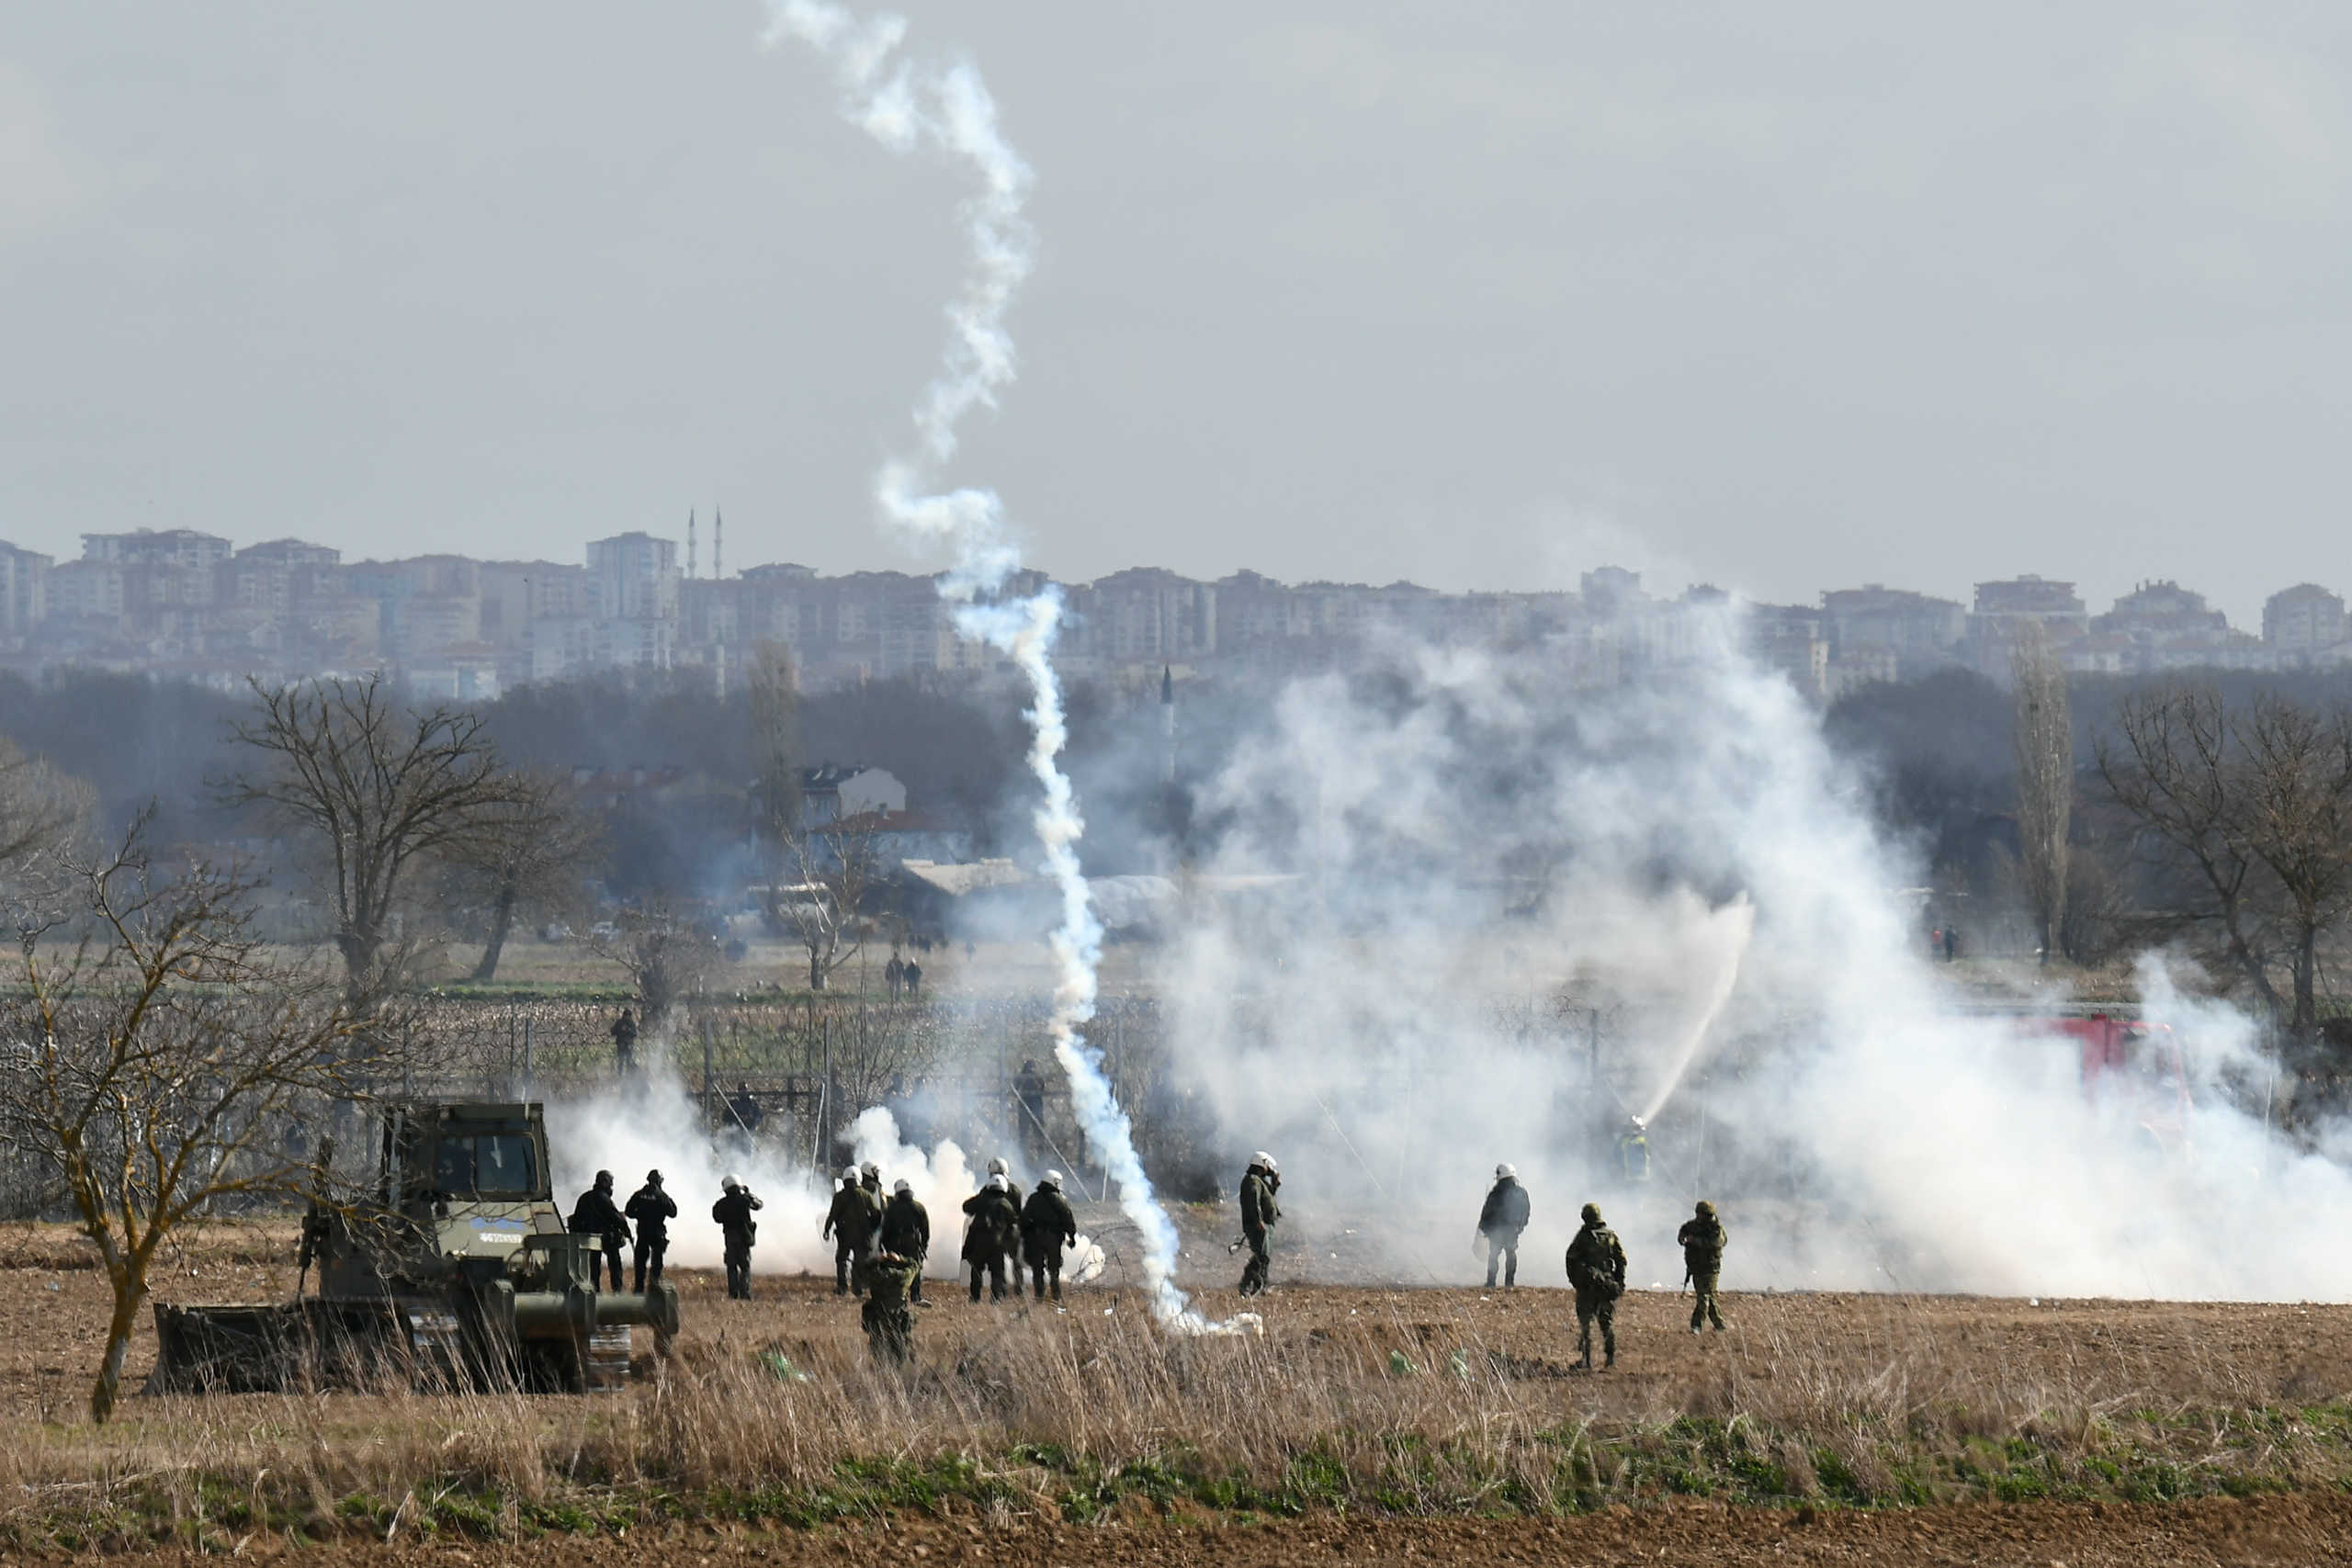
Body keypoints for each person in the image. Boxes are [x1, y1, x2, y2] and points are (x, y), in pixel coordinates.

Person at [1565, 1201, 1627, 1371]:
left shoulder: (1583, 1237)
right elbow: (1621, 1260)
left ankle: (1586, 1361)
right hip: (1606, 1285)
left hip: (1587, 1287)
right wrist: (1618, 1283)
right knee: (1606, 1323)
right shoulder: (1610, 1236)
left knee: (1586, 1324)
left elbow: (1571, 1259)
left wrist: (1576, 1281)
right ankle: (1610, 1359)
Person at [566, 1169, 631, 1292]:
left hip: (588, 1239)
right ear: (605, 1182)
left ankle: (594, 1291)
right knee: (615, 1264)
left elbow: (576, 1219)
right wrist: (626, 1230)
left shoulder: (585, 1197)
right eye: (610, 1183)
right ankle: (617, 1290)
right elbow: (616, 1218)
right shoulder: (604, 1198)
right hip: (606, 1238)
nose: (611, 1186)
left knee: (592, 1267)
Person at [961, 1173, 1021, 1303]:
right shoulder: (1005, 1203)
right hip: (997, 1242)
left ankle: (975, 1297)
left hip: (978, 1240)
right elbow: (1014, 1220)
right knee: (997, 1272)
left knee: (976, 1269)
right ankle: (996, 1298)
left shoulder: (981, 1199)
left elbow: (966, 1207)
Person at [1021, 1169, 1079, 1302]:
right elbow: (1068, 1219)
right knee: (1054, 1269)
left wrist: (1025, 1235)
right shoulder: (1060, 1199)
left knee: (1037, 1269)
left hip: (1035, 1238)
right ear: (1056, 1183)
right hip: (1053, 1239)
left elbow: (1024, 1218)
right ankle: (1056, 1296)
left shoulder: (1033, 1198)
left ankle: (1039, 1296)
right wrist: (1072, 1236)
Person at [824, 1164, 880, 1297]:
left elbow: (832, 1215)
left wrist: (827, 1230)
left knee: (842, 1259)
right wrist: (873, 1228)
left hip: (844, 1234)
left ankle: (842, 1287)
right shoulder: (866, 1195)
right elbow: (876, 1213)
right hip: (863, 1235)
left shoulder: (839, 1196)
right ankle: (858, 1288)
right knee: (860, 1261)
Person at [1678, 1200, 1728, 1333]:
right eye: (1698, 1214)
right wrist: (1682, 1238)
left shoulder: (1716, 1228)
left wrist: (1695, 1241)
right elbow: (1683, 1231)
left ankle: (1696, 1325)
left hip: (1711, 1268)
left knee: (1704, 1296)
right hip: (1696, 1267)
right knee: (1708, 1297)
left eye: (1703, 1215)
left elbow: (1716, 1243)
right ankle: (1720, 1324)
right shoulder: (1692, 1226)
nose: (1700, 1217)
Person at [1477, 1162, 1532, 1290]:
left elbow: (1487, 1213)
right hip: (1513, 1231)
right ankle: (1509, 1283)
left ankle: (1491, 1283)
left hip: (1496, 1232)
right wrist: (1520, 1227)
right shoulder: (1522, 1193)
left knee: (1494, 1256)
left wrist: (1484, 1228)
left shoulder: (1495, 1194)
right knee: (1511, 1254)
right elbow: (1526, 1212)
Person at [862, 1247, 920, 1364]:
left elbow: (863, 1268)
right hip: (898, 1319)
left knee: (879, 1354)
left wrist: (877, 1259)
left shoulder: (876, 1276)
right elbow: (915, 1265)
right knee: (902, 1349)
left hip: (878, 1319)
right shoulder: (904, 1277)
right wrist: (900, 1259)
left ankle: (883, 1374)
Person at [879, 1177, 932, 1306]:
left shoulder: (891, 1208)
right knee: (915, 1268)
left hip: (895, 1242)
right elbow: (925, 1229)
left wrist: (886, 1246)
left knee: (896, 1269)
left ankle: (897, 1296)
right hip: (913, 1242)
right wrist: (923, 1245)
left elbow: (885, 1229)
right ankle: (916, 1297)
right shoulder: (919, 1207)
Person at [712, 1174, 763, 1301]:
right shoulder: (745, 1199)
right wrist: (748, 1193)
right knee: (745, 1267)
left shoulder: (721, 1203)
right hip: (744, 1236)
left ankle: (733, 1294)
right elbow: (759, 1205)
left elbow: (717, 1218)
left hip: (729, 1237)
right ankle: (745, 1294)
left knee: (731, 1266)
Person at [624, 1168, 675, 1292]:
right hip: (657, 1233)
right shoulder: (662, 1196)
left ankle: (639, 1290)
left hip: (642, 1232)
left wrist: (639, 1215)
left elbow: (628, 1211)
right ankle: (654, 1289)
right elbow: (673, 1212)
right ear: (660, 1181)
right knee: (656, 1263)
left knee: (640, 1264)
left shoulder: (639, 1194)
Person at [1238, 1151, 1281, 1297]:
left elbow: (1268, 1198)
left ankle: (1261, 1285)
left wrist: (1274, 1185)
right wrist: (1258, 1221)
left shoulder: (1258, 1180)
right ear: (1262, 1164)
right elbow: (1253, 1203)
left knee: (1264, 1257)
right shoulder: (1252, 1181)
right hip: (1258, 1226)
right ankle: (1247, 1283)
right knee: (1261, 1256)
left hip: (1264, 1226)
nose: (1269, 1169)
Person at [985, 1156, 1027, 1296]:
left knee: (998, 1264)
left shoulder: (987, 1189)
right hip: (1012, 1231)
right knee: (1017, 1262)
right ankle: (1019, 1289)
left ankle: (999, 1293)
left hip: (995, 1232)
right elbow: (1018, 1213)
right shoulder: (1015, 1190)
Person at [1012, 1059, 1048, 1163]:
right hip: (1024, 1105)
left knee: (1038, 1133)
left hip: (1035, 1105)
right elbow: (1015, 1089)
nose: (1030, 1070)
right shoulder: (1021, 1077)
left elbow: (1042, 1088)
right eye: (1028, 1067)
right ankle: (1023, 1160)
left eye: (1032, 1067)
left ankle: (1041, 1159)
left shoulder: (1037, 1077)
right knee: (1024, 1134)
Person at [1614, 1116, 1650, 1184]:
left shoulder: (1624, 1141)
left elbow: (1617, 1156)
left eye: (1636, 1128)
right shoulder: (1644, 1141)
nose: (1635, 1131)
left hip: (1632, 1178)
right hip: (1640, 1178)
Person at [609, 1009, 639, 1076]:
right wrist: (620, 1030)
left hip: (628, 1045)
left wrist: (628, 1030)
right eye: (626, 1016)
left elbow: (634, 1034)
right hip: (621, 1044)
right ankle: (620, 1075)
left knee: (628, 1061)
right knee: (621, 1061)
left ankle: (628, 1076)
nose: (627, 1018)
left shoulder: (631, 1023)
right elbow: (613, 1032)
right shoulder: (619, 1023)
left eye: (628, 1016)